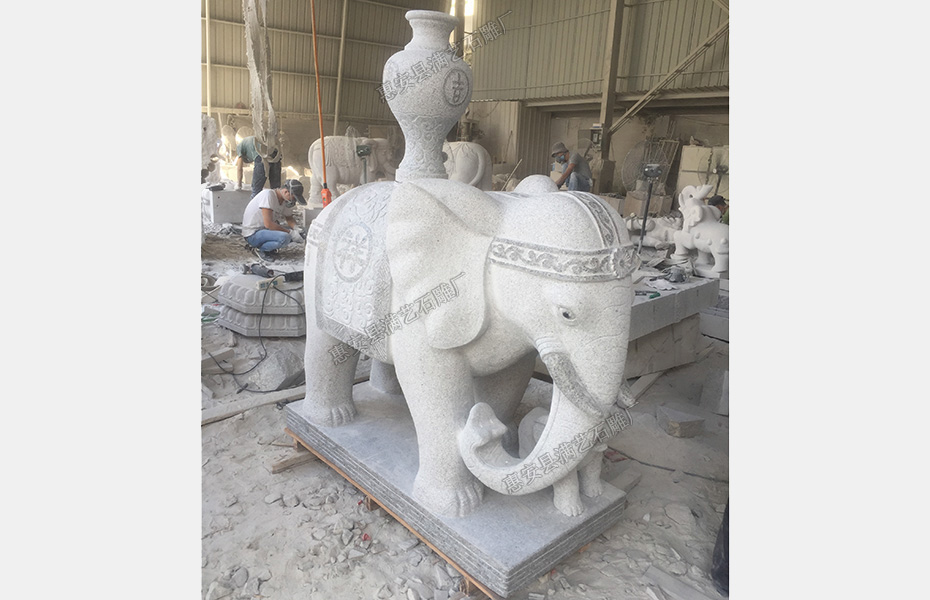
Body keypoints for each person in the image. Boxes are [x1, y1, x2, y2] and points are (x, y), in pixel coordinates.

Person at [240, 179, 307, 262]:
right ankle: (260, 249)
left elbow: (289, 218)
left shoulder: (284, 200)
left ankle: (269, 247)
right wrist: (291, 233)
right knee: (285, 237)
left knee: (297, 233)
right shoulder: (268, 195)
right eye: (293, 198)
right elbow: (268, 224)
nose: (294, 201)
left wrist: (296, 228)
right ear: (286, 192)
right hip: (253, 233)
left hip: (264, 230)